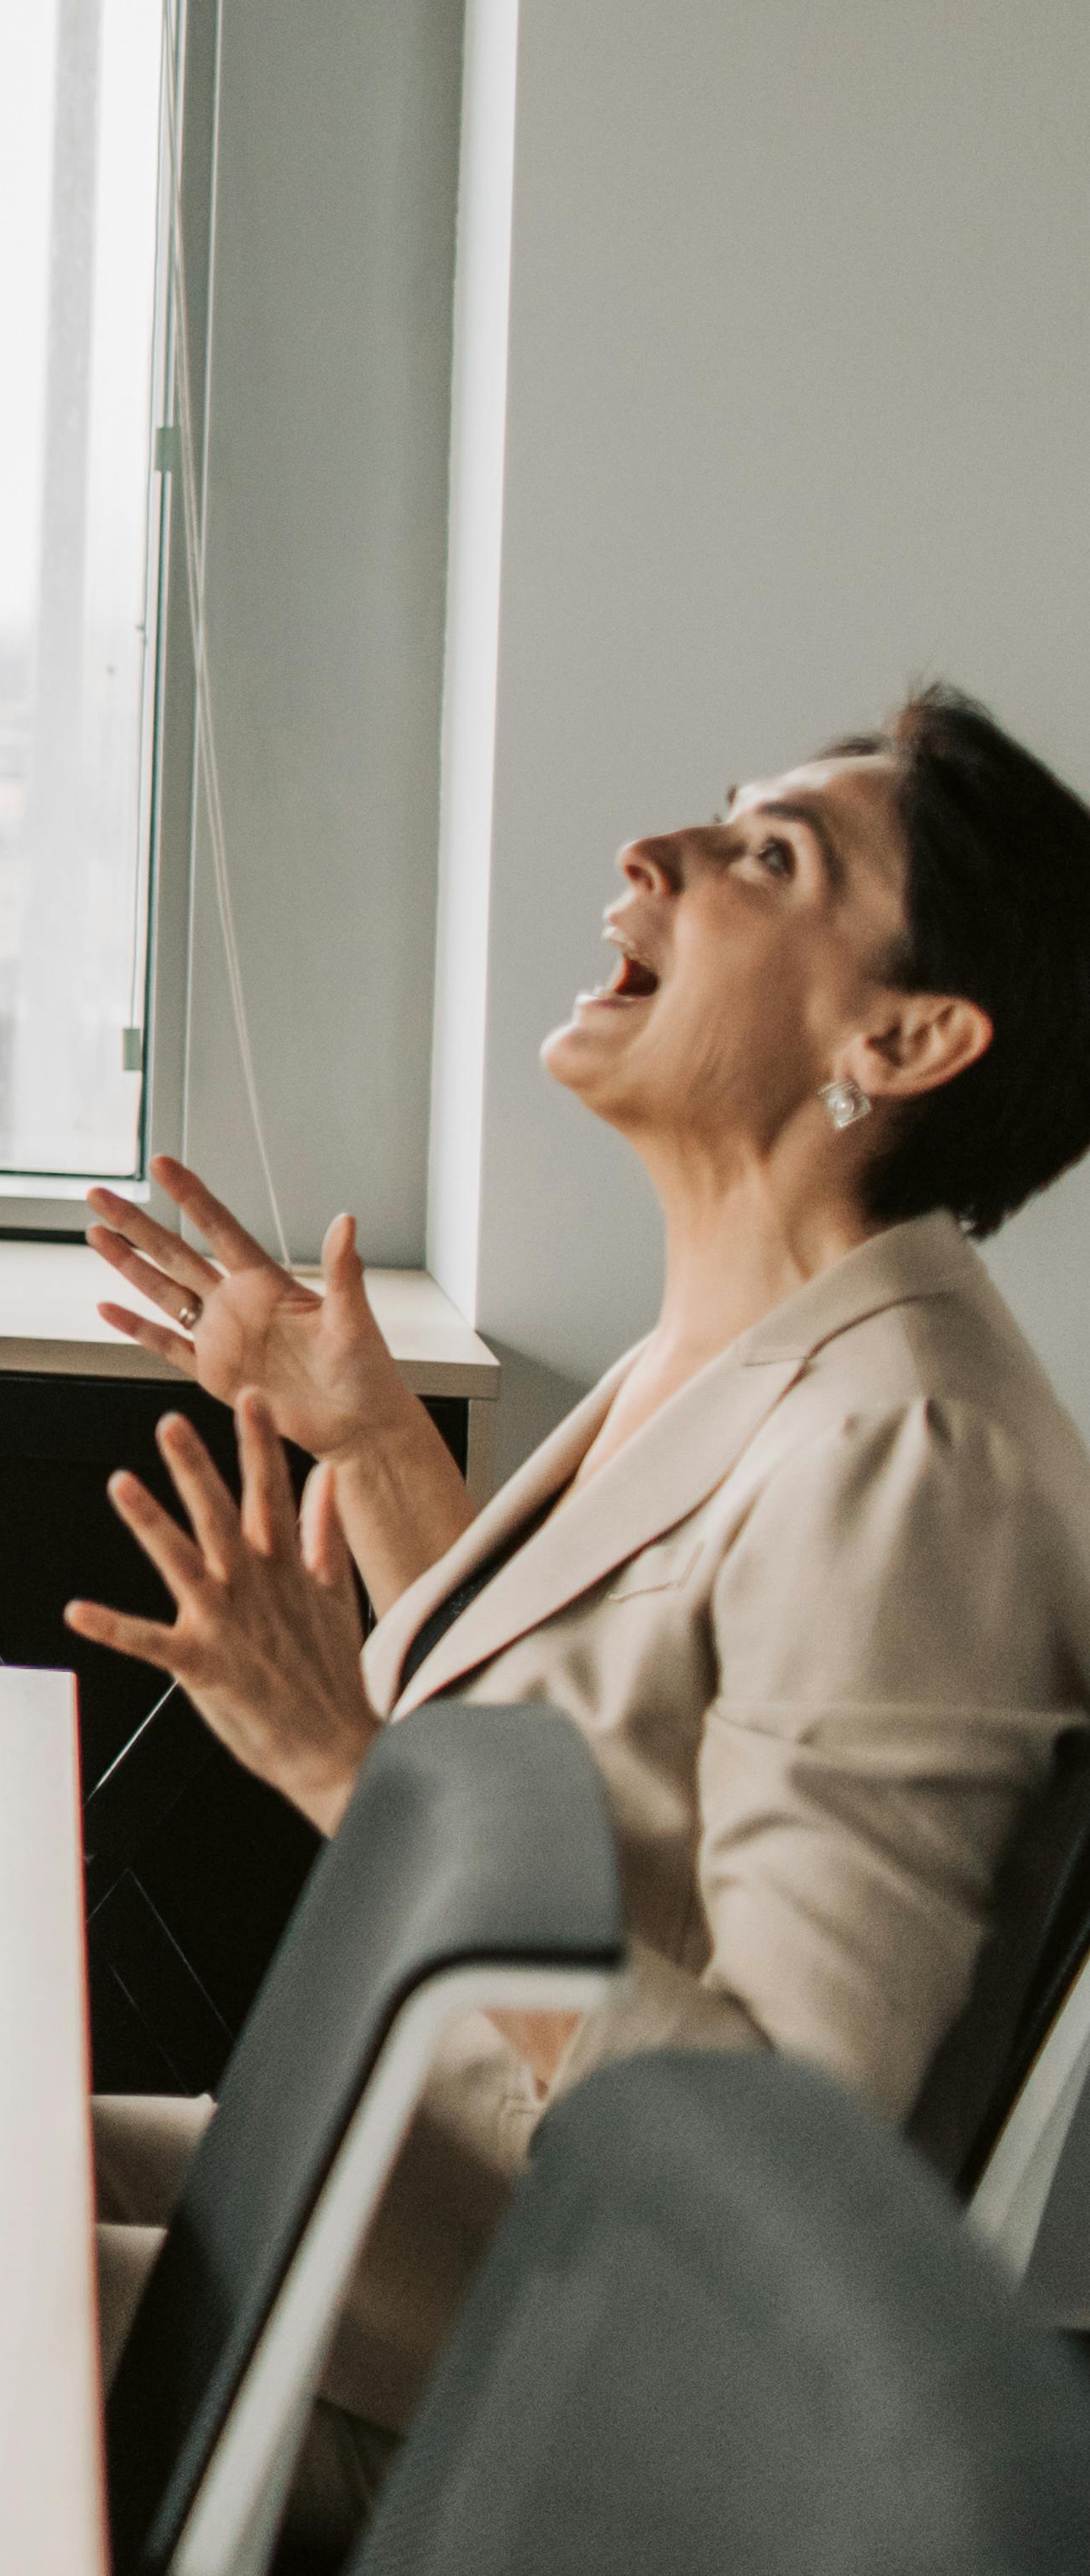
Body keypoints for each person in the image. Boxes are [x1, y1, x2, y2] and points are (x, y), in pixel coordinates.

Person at [68, 688, 1090, 2481]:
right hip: (387, 2211)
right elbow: (579, 1751)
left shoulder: (917, 1450)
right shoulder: (742, 1348)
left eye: (773, 855)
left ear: (910, 1034)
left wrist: (347, 1769)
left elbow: (786, 2150)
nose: (655, 855)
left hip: (530, 2380)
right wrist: (371, 1443)